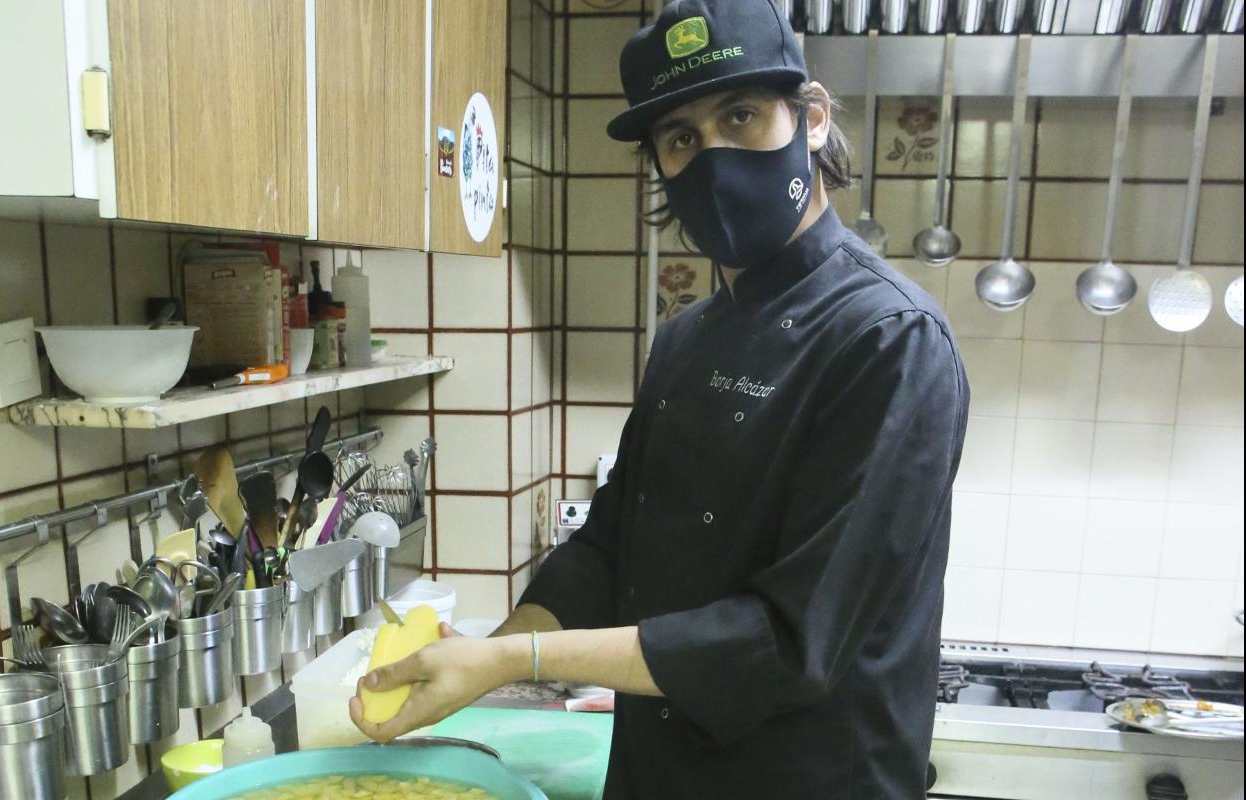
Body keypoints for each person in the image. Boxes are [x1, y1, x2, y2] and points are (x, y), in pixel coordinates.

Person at [350, 1, 970, 797]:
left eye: (741, 116)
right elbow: (610, 549)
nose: (712, 157)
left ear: (811, 119)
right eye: (681, 139)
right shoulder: (687, 339)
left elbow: (789, 640)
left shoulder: (889, 341)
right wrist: (476, 660)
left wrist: (513, 660)